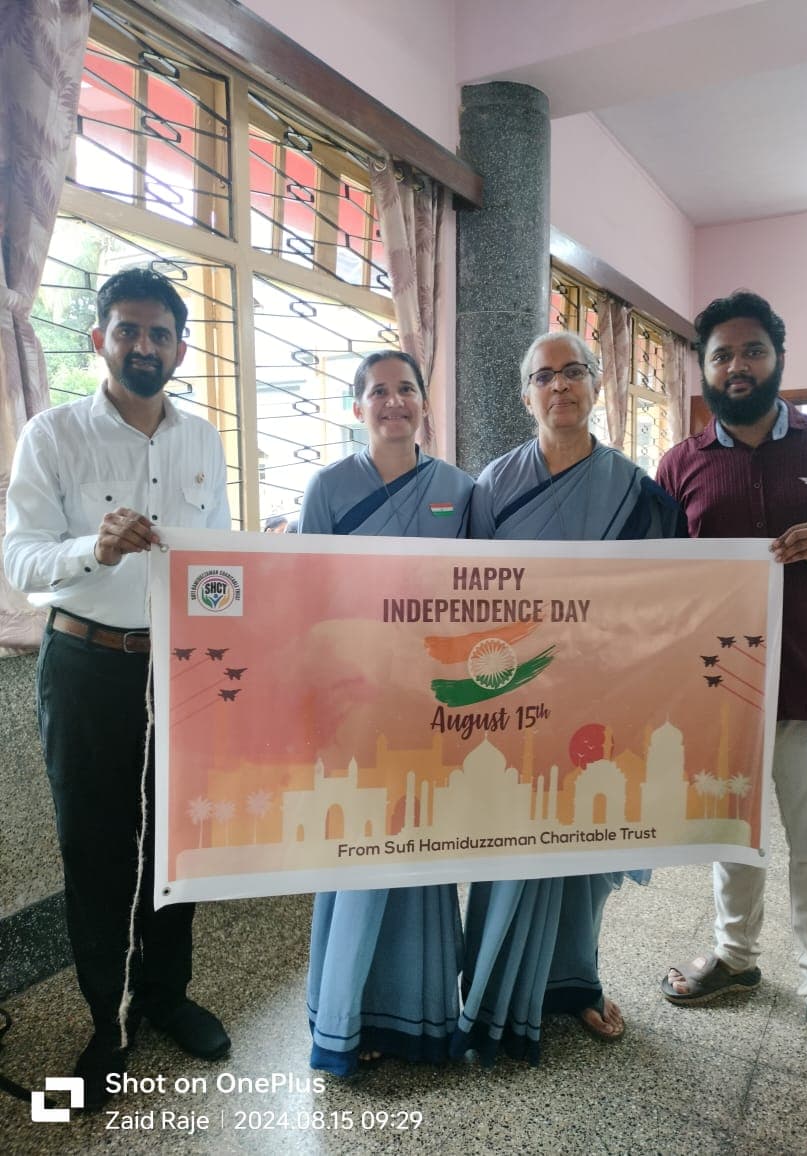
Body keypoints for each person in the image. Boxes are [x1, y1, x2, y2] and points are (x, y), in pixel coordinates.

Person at [3, 267, 232, 1109]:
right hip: (88, 665)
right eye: (127, 330)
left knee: (178, 841)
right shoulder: (52, 435)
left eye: (159, 333)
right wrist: (87, 550)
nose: (143, 346)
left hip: (181, 666)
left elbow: (215, 564)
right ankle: (108, 1022)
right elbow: (18, 563)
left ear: (179, 348)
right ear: (98, 338)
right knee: (97, 848)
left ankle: (167, 998)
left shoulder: (201, 440)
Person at [656, 290, 807, 1092]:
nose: (735, 367)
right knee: (728, 838)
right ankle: (735, 959)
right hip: (722, 693)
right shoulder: (680, 464)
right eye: (719, 355)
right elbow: (656, 577)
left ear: (776, 358)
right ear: (703, 369)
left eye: (749, 351)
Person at [455, 331, 685, 1065]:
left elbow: (661, 599)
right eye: (544, 376)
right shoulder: (491, 485)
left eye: (574, 372)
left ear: (595, 385)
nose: (560, 386)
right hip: (515, 697)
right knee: (508, 845)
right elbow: (466, 599)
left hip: (601, 697)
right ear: (526, 395)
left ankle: (576, 983)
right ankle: (489, 987)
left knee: (585, 850)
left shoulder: (637, 488)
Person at [298, 349, 474, 1076]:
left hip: (428, 700)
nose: (393, 402)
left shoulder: (459, 490)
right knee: (360, 849)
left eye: (405, 389)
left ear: (424, 403)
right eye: (377, 391)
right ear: (356, 407)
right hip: (354, 702)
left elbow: (480, 595)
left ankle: (420, 1016)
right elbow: (303, 593)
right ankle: (344, 1018)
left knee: (421, 850)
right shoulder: (329, 487)